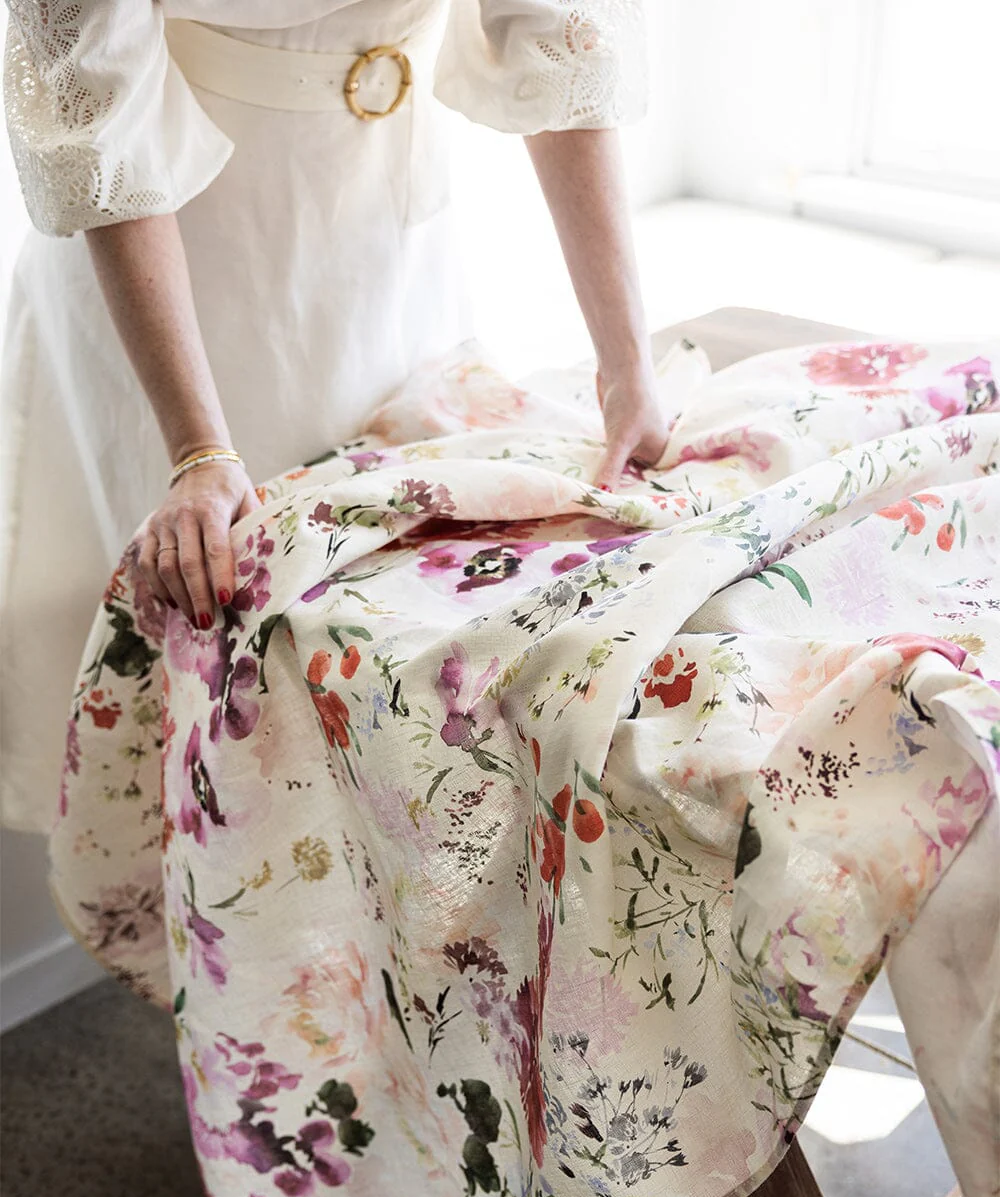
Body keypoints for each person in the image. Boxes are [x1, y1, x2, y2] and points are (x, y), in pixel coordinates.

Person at [1, 0, 661, 832]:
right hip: (179, 273)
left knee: (393, 667)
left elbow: (563, 39)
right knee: (214, 672)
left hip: (389, 239)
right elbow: (97, 118)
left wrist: (626, 364)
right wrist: (198, 450)